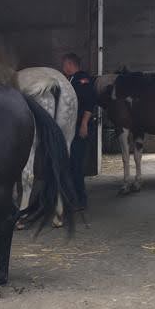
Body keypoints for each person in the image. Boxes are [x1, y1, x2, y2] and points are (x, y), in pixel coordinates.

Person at [61, 52, 98, 211]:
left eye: (64, 64)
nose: (63, 67)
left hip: (79, 128)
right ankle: (71, 198)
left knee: (76, 165)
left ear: (70, 64)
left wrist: (84, 124)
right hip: (71, 127)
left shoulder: (83, 80)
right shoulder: (71, 80)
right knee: (70, 165)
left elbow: (89, 103)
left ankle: (80, 200)